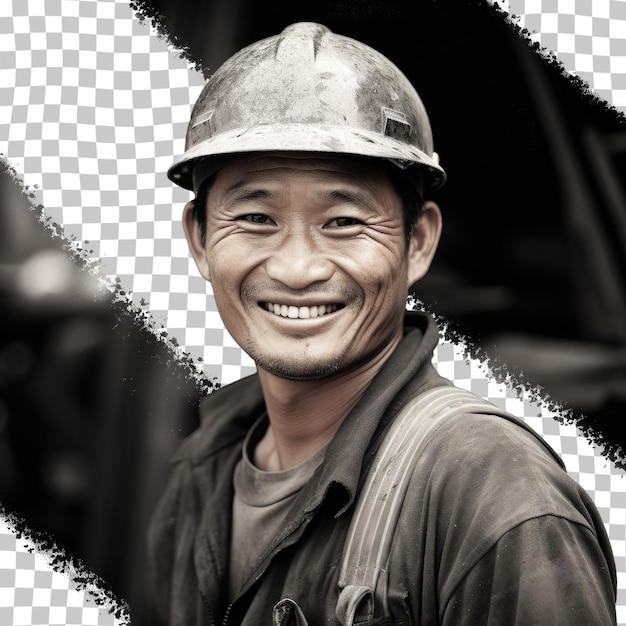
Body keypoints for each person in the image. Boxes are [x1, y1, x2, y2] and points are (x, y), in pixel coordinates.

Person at [147, 22, 617, 625]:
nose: (296, 268)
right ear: (200, 239)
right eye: (257, 217)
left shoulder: (492, 491)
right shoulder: (202, 472)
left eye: (343, 221)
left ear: (417, 242)